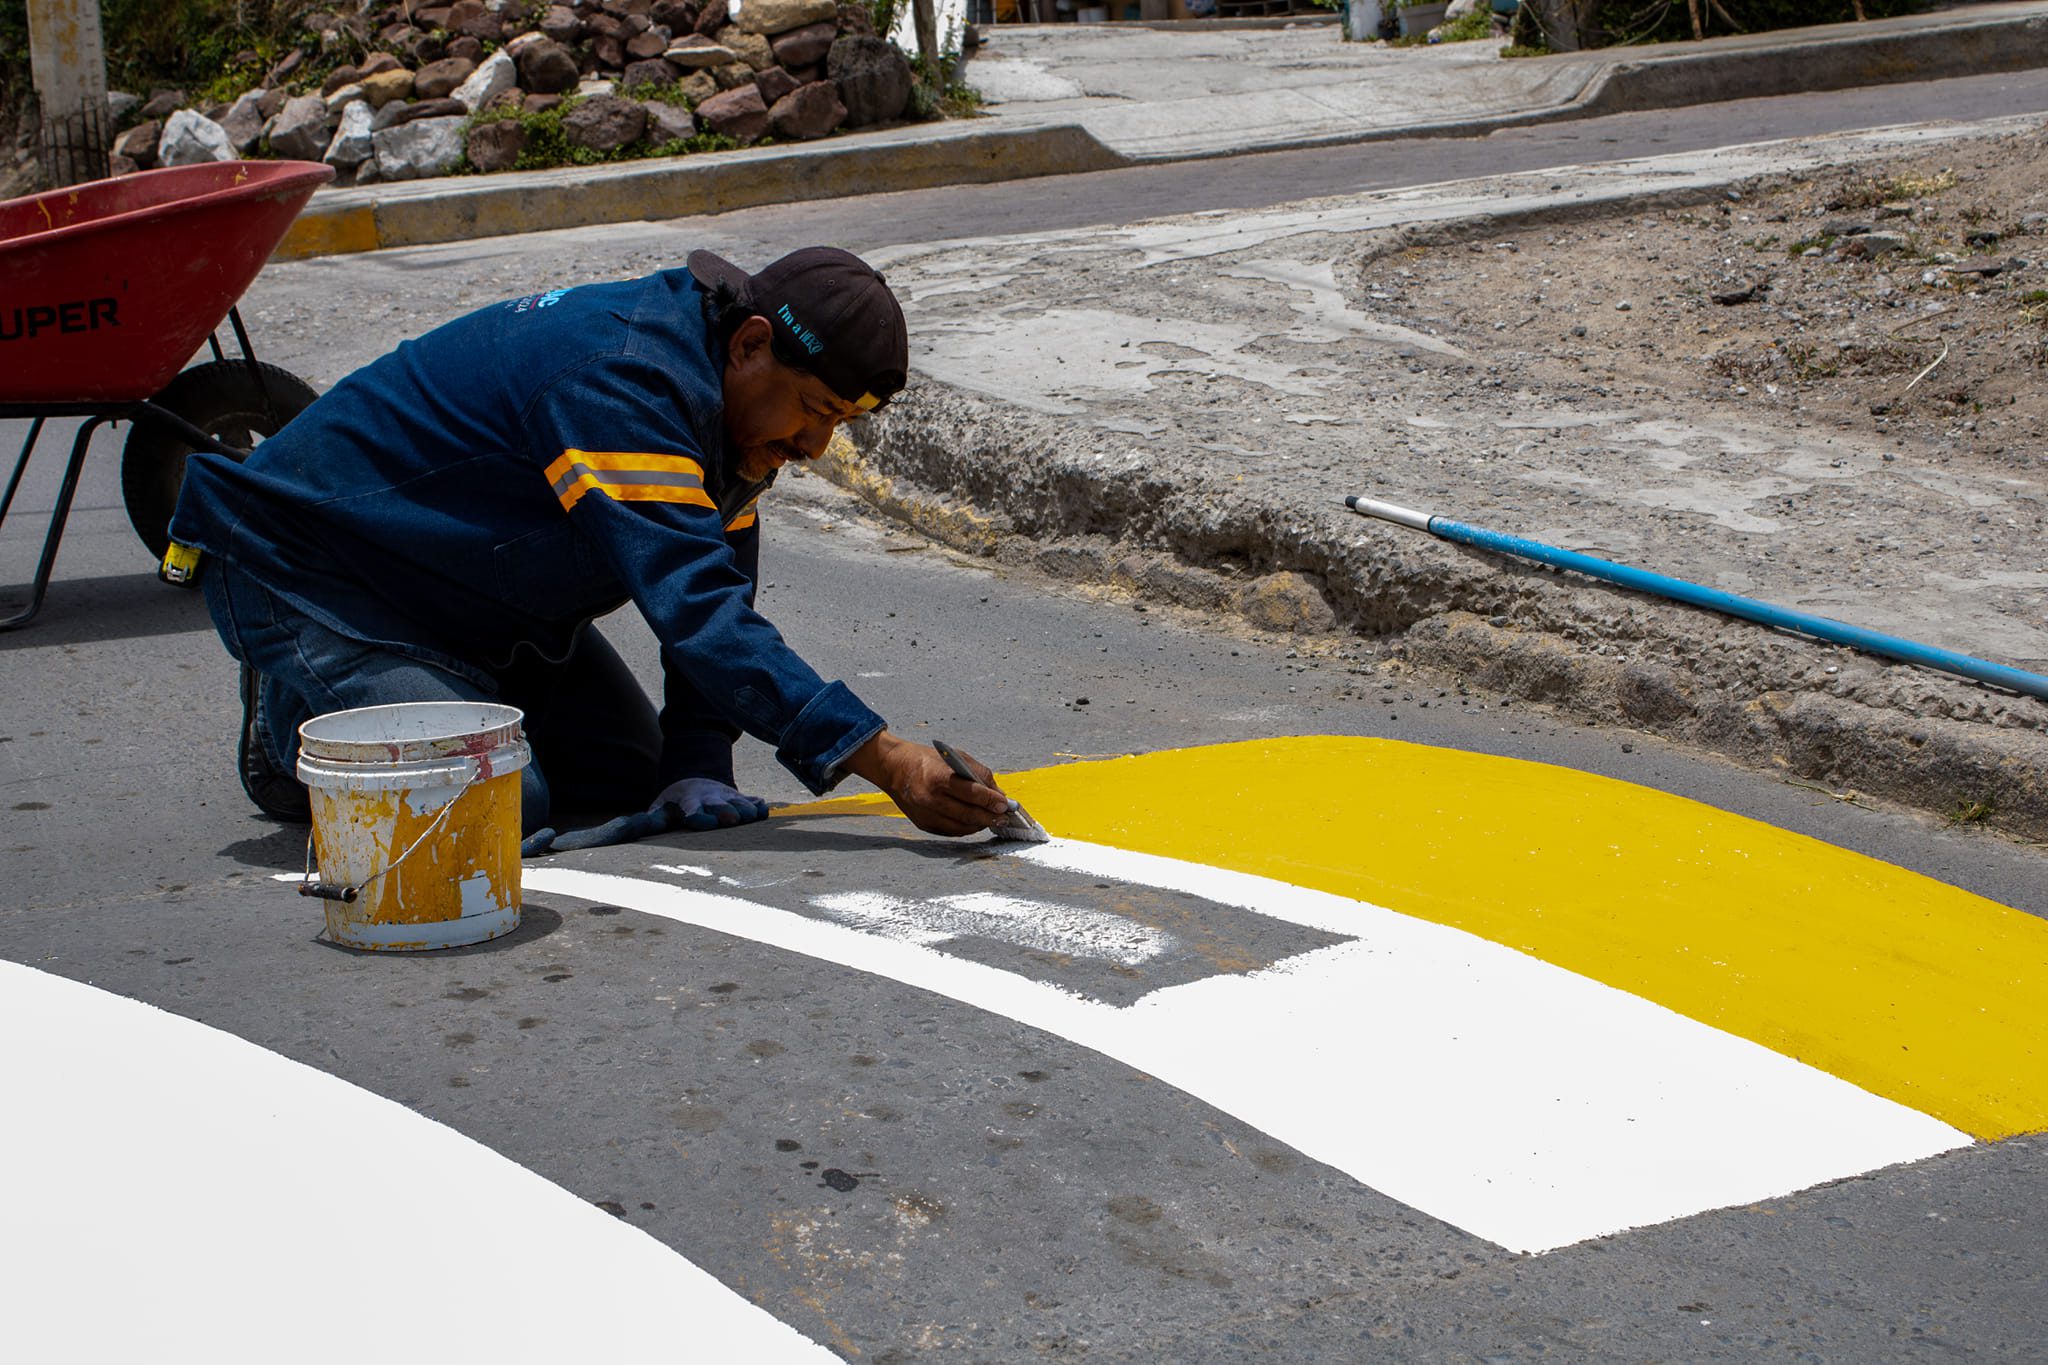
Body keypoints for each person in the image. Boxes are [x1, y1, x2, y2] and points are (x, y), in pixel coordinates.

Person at [168, 246, 1012, 845]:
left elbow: (719, 591)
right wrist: (892, 761)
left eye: (839, 424)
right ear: (751, 343)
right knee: (505, 808)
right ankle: (290, 730)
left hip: (472, 606)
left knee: (626, 781)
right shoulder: (620, 384)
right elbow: (699, 613)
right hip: (314, 574)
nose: (816, 448)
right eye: (816, 411)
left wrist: (698, 758)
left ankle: (438, 704)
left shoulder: (734, 411)